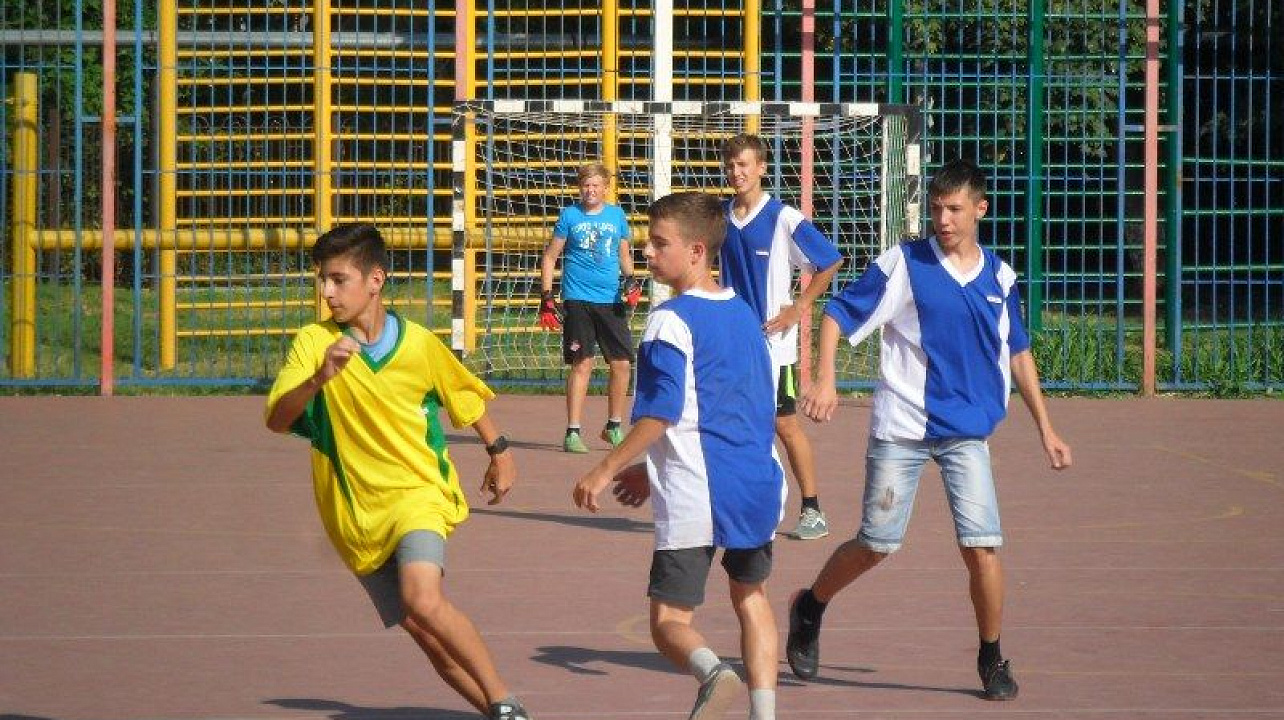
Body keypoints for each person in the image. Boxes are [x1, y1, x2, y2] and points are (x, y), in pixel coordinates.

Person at [784, 158, 1073, 701]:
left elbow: (1018, 352)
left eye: (955, 208)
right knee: (877, 543)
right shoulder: (905, 264)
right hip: (903, 428)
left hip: (967, 432)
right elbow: (838, 314)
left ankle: (991, 656)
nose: (943, 218)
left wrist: (1046, 429)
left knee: (982, 546)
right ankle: (812, 605)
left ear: (980, 209)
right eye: (937, 207)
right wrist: (824, 378)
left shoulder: (1000, 277)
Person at [265, 224, 534, 720]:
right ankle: (503, 714)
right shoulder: (312, 344)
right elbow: (279, 420)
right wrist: (320, 376)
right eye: (322, 280)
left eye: (338, 279)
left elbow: (463, 395)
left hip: (418, 495)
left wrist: (501, 450)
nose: (326, 292)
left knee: (424, 599)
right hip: (355, 519)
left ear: (375, 280)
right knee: (426, 635)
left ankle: (503, 699)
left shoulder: (418, 344)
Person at [573, 192, 786, 720]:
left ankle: (716, 674)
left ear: (696, 252)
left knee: (668, 621)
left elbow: (661, 414)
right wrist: (650, 468)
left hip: (700, 492)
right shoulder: (744, 317)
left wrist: (604, 469)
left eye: (658, 242)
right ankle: (765, 714)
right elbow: (732, 410)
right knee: (752, 597)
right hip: (759, 483)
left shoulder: (670, 321)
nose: (647, 251)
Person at [719, 134, 844, 541]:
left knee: (783, 424)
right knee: (724, 421)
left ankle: (812, 509)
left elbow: (829, 261)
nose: (737, 172)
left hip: (773, 346)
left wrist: (799, 307)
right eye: (731, 165)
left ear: (761, 168)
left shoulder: (783, 217)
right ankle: (733, 504)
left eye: (744, 165)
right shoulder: (719, 216)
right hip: (730, 342)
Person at [539, 162, 642, 454]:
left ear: (605, 187)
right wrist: (547, 296)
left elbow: (623, 253)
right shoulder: (569, 216)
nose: (591, 190)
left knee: (622, 363)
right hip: (577, 299)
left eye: (596, 185)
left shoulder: (616, 215)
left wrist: (631, 280)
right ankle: (572, 431)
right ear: (579, 187)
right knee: (582, 363)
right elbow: (550, 257)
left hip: (610, 300)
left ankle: (613, 426)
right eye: (586, 185)